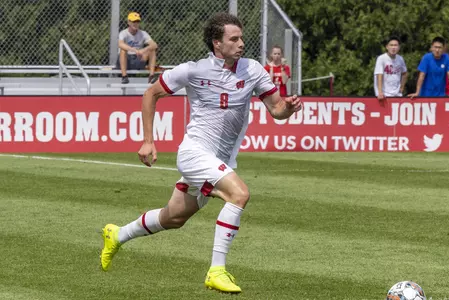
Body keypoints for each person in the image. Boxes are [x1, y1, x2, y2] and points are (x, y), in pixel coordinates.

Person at [100, 12, 302, 294]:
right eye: (234, 38)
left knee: (174, 217)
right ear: (217, 43)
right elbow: (150, 94)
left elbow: (277, 109)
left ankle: (117, 234)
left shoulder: (253, 69)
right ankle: (216, 270)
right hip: (195, 153)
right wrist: (148, 140)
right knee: (239, 194)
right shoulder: (194, 70)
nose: (241, 43)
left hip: (221, 160)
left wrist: (287, 109)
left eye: (241, 37)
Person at [118, 12, 158, 84]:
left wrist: (143, 50)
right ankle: (124, 77)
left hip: (138, 58)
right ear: (128, 22)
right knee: (123, 50)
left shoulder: (143, 33)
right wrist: (134, 50)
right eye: (134, 21)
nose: (136, 24)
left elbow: (154, 45)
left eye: (137, 21)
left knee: (152, 50)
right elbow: (120, 44)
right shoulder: (123, 33)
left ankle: (152, 76)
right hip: (127, 60)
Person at [373, 36, 408, 100]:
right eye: (391, 45)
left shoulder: (400, 59)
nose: (393, 47)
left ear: (399, 47)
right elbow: (379, 75)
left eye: (395, 45)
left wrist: (402, 87)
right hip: (384, 94)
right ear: (387, 47)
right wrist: (380, 92)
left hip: (397, 94)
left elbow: (405, 73)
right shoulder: (381, 58)